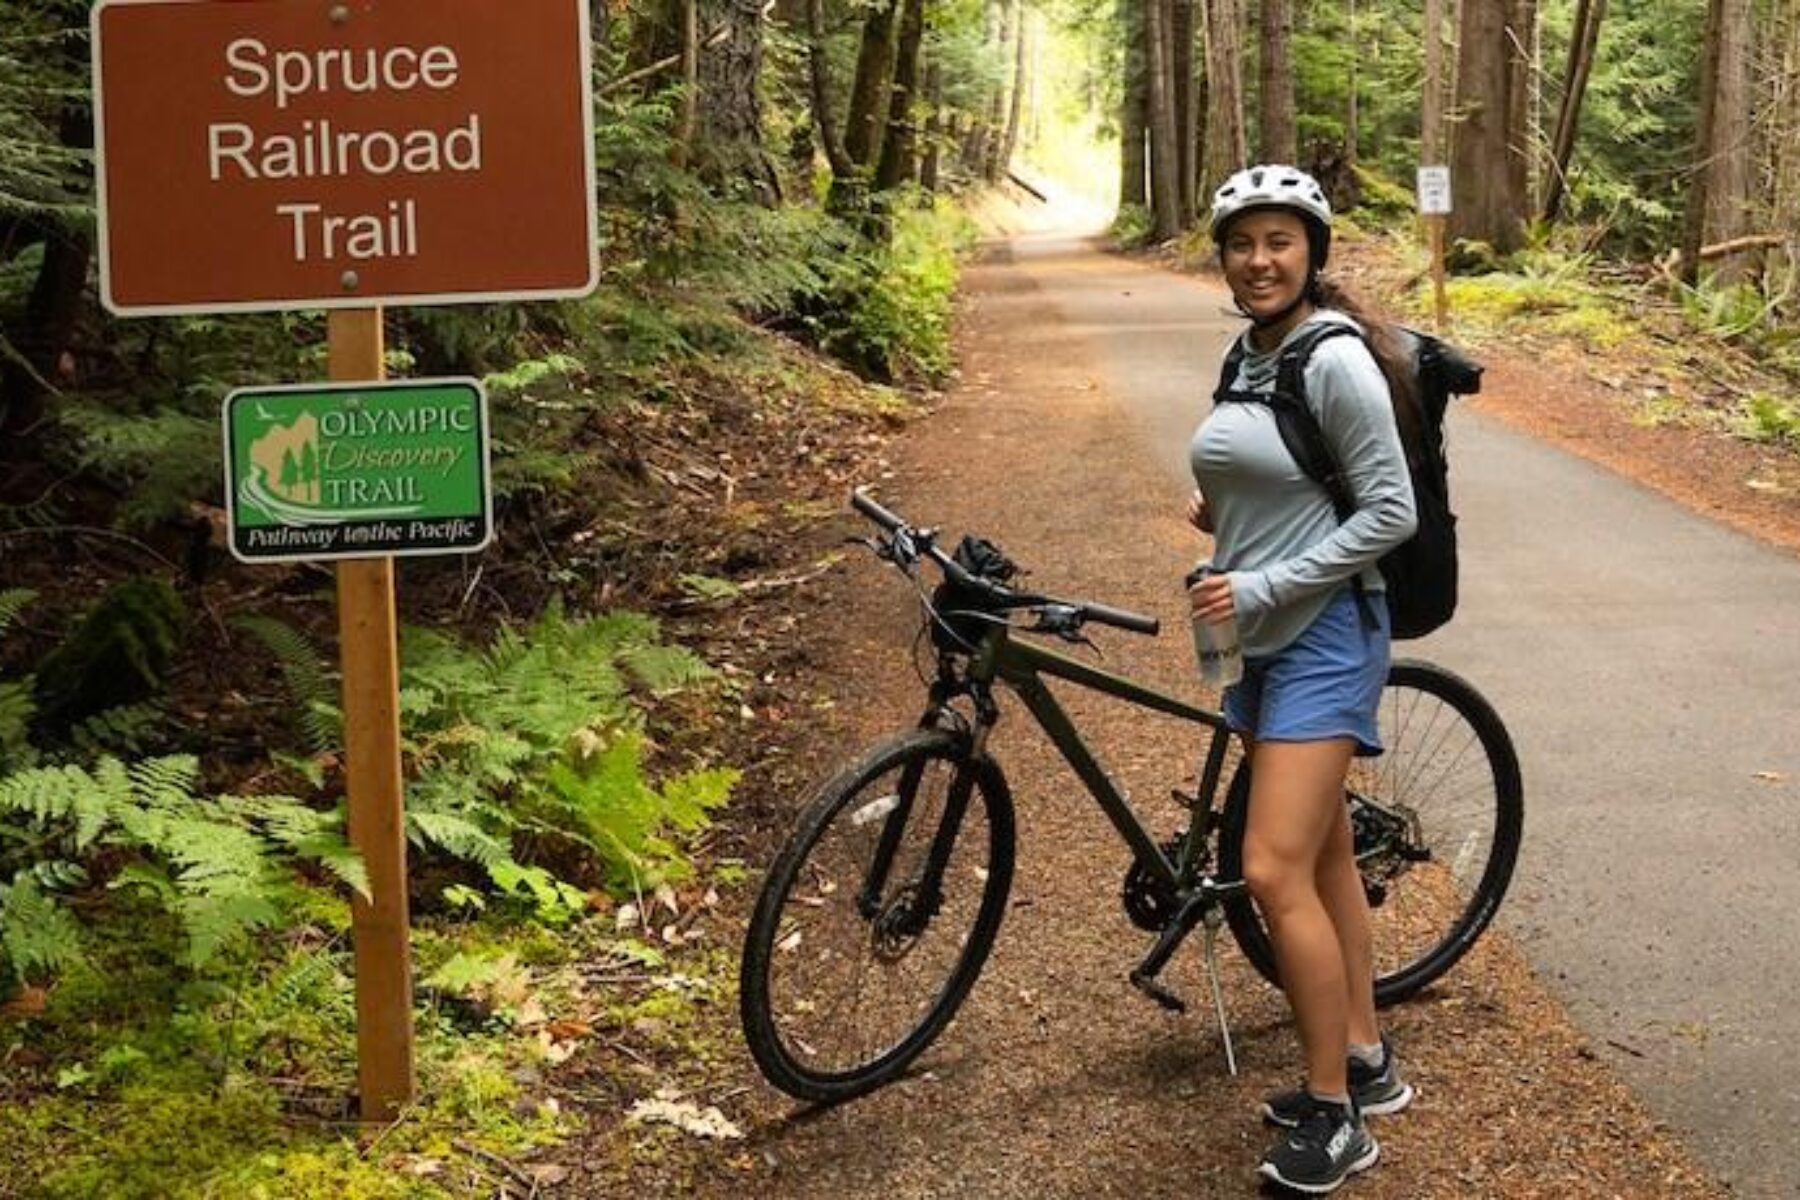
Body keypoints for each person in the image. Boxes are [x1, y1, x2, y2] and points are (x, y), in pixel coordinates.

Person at [1186, 164, 1419, 1194]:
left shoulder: (1335, 360)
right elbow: (1281, 476)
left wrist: (1266, 576)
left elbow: (1389, 513)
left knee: (1272, 870)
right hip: (1264, 637)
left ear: (1313, 252)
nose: (1260, 259)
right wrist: (1224, 527)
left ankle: (1334, 1117)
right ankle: (1364, 1058)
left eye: (1280, 240)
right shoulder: (1251, 353)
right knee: (1322, 859)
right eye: (1243, 243)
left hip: (1325, 632)